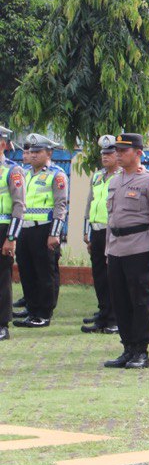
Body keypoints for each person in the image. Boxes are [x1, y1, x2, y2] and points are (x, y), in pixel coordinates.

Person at [102, 133, 149, 369]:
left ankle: (141, 351)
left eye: (124, 151)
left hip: (140, 247)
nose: (119, 155)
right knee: (120, 300)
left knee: (141, 301)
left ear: (139, 153)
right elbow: (112, 218)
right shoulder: (115, 181)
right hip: (117, 248)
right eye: (117, 151)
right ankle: (128, 348)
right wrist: (108, 249)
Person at [14, 134, 67, 328]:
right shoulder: (26, 173)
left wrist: (54, 233)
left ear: (49, 153)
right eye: (32, 151)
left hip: (44, 229)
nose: (33, 155)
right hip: (25, 229)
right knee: (26, 271)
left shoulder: (57, 174)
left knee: (45, 272)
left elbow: (61, 206)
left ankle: (44, 313)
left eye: (38, 151)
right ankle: (32, 309)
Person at [82, 136, 120, 335]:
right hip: (96, 231)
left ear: (118, 154)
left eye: (109, 153)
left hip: (112, 232)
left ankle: (114, 318)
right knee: (99, 276)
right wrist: (87, 232)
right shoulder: (97, 176)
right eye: (103, 153)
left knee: (113, 276)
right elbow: (90, 205)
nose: (105, 157)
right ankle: (103, 315)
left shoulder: (122, 176)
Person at [0, 125, 25, 342]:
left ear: (2, 144)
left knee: (2, 278)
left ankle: (2, 324)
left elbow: (19, 205)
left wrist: (11, 238)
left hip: (3, 228)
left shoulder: (12, 170)